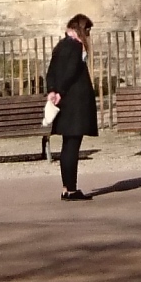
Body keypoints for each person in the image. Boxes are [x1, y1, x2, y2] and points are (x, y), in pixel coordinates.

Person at [40, 15, 97, 202]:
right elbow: (71, 71)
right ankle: (71, 190)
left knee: (67, 146)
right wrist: (61, 91)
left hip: (65, 103)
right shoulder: (75, 46)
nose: (88, 35)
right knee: (72, 146)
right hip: (75, 103)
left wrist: (52, 91)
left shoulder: (61, 45)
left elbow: (51, 72)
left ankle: (67, 188)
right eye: (87, 30)